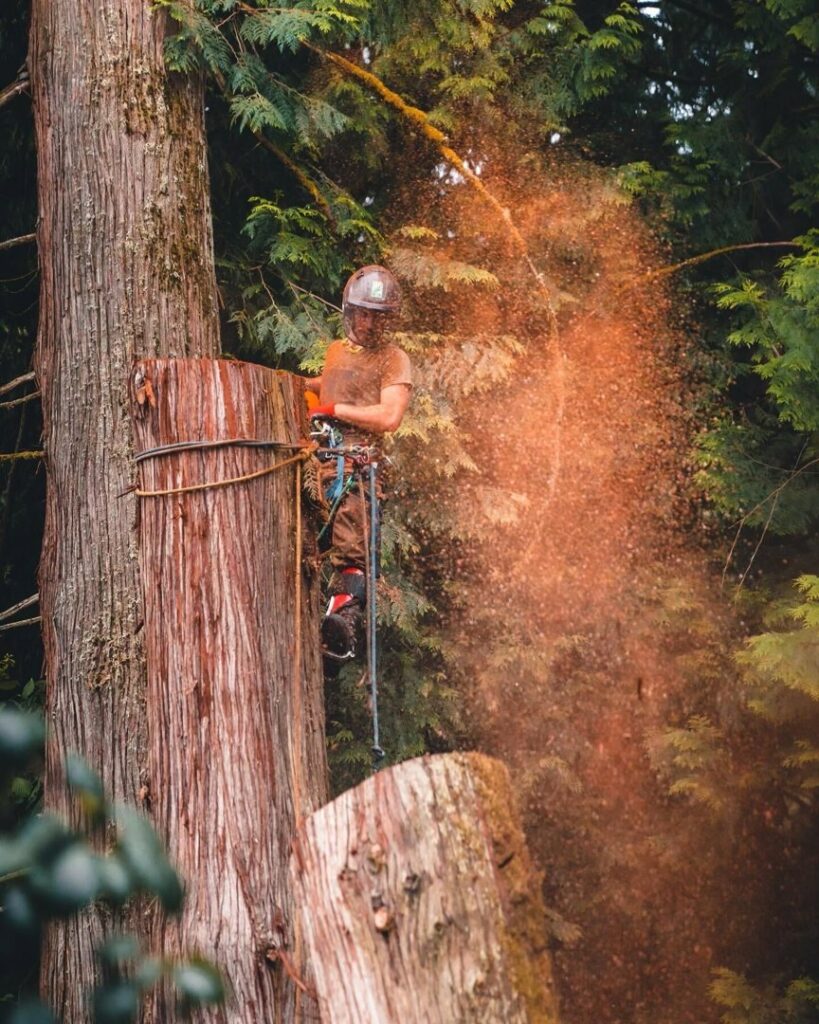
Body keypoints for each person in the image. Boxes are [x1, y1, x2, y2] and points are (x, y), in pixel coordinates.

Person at [306, 265, 413, 666]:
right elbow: (332, 383)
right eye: (364, 313)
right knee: (305, 545)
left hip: (355, 465)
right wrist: (300, 386)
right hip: (317, 461)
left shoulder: (393, 359)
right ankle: (322, 624)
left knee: (352, 547)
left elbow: (389, 416)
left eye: (378, 316)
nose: (369, 323)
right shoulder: (337, 351)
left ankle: (343, 628)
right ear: (350, 312)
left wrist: (336, 410)